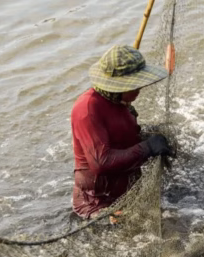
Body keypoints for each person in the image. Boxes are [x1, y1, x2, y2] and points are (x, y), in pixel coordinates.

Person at [71, 45, 172, 219]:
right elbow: (101, 162)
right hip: (99, 203)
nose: (139, 88)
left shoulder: (118, 101)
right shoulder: (87, 109)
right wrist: (147, 148)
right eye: (134, 85)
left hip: (128, 189)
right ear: (117, 86)